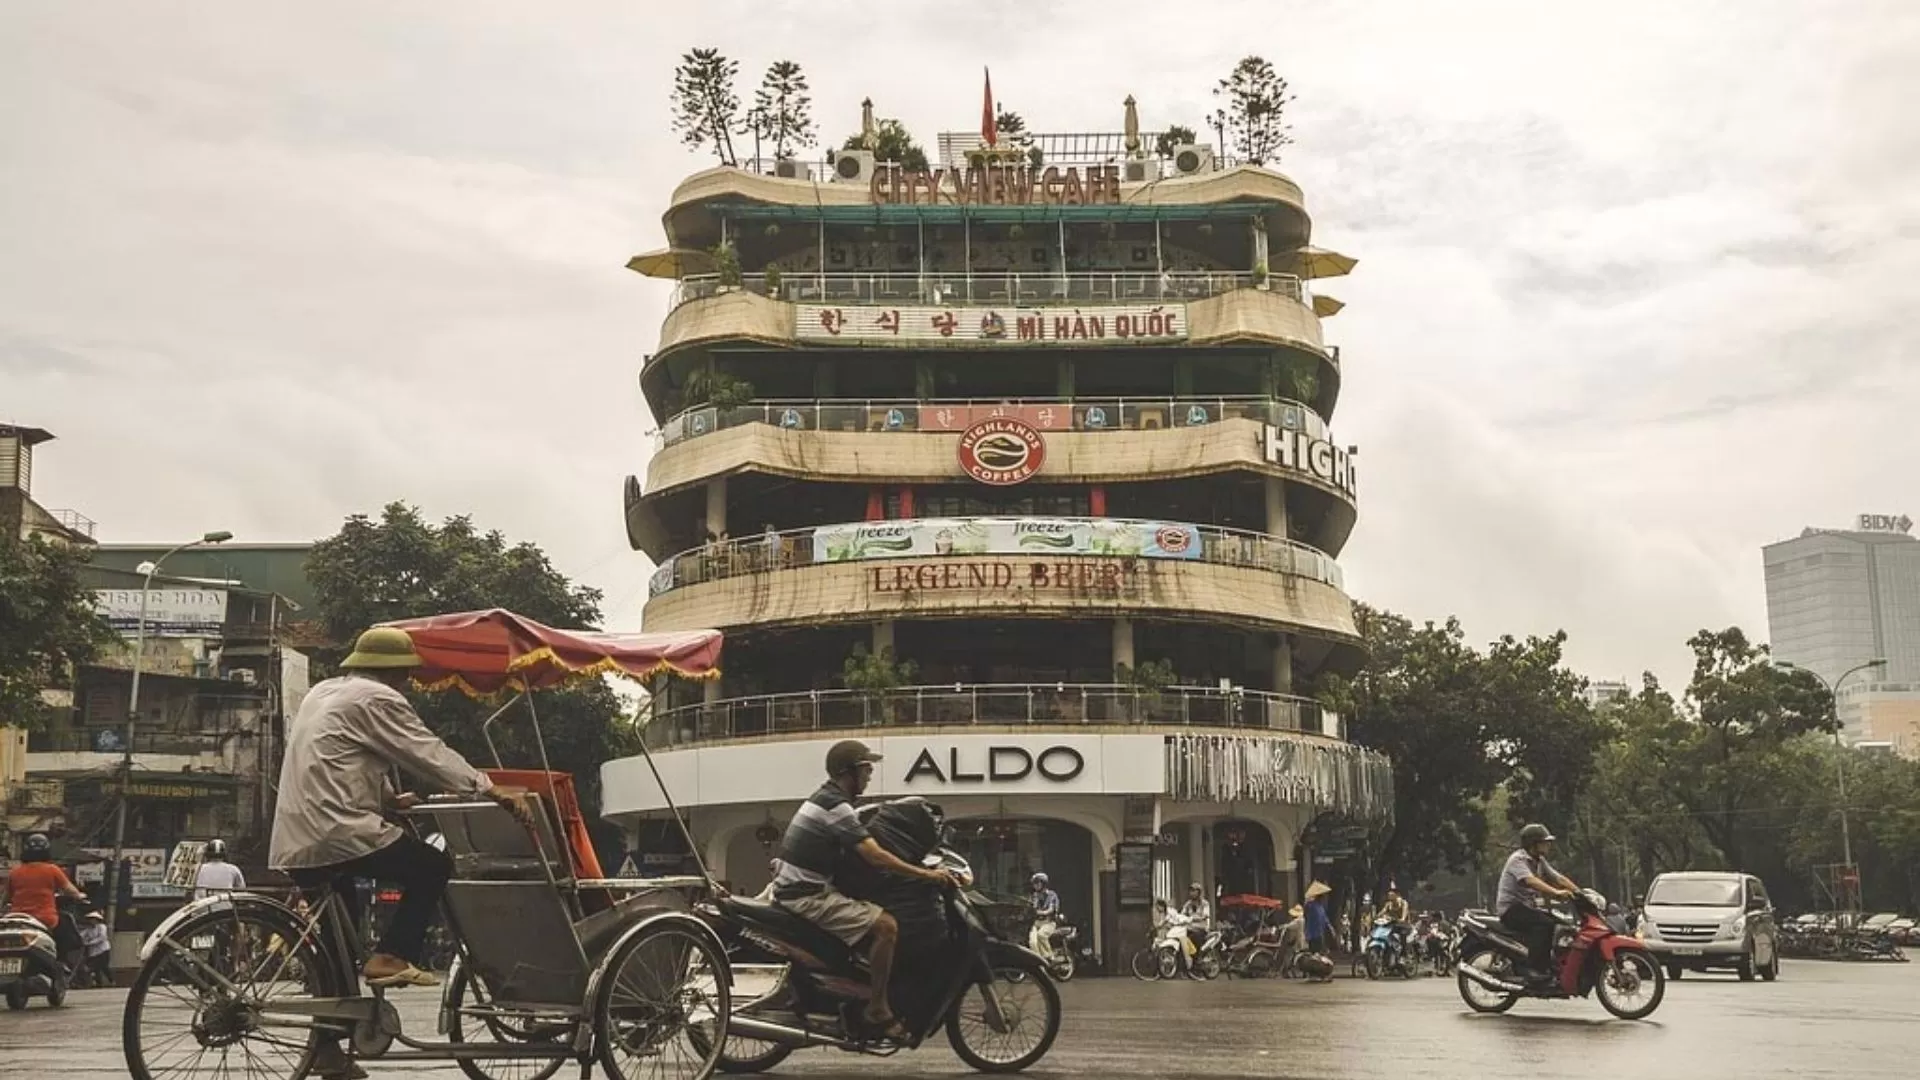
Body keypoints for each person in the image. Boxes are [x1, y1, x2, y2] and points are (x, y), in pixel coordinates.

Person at [769, 739, 959, 1041]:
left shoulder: (827, 799)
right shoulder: (835, 805)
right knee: (886, 927)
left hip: (797, 887)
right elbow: (875, 856)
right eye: (866, 768)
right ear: (849, 772)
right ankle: (878, 1008)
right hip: (807, 895)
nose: (870, 775)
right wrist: (928, 875)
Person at [1496, 823, 1578, 983]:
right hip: (1511, 909)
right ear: (1532, 844)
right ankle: (1532, 968)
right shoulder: (1517, 860)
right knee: (1544, 924)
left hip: (1526, 907)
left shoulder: (1539, 860)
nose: (1548, 845)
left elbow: (1558, 878)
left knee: (1560, 923)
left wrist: (1580, 892)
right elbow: (1531, 881)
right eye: (1544, 842)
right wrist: (1555, 892)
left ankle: (1550, 964)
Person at [1, 833, 87, 968]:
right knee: (66, 936)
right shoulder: (52, 870)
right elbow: (70, 890)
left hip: (17, 918)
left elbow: (5, 897)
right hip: (45, 918)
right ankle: (61, 962)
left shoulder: (15, 872)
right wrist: (80, 896)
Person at [1028, 873, 1062, 960]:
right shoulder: (1034, 896)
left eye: (1037, 883)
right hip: (1035, 923)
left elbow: (1050, 910)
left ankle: (1050, 956)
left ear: (1043, 883)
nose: (1035, 885)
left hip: (1049, 922)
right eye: (1034, 883)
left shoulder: (1051, 895)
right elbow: (1029, 908)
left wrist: (1040, 912)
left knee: (1041, 935)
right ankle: (1037, 961)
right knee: (1032, 942)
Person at [1303, 880, 1333, 954]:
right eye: (1323, 896)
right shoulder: (1311, 905)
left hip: (1319, 934)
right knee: (1314, 953)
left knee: (1319, 953)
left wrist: (1331, 928)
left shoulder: (1320, 907)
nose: (1324, 898)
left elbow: (1325, 919)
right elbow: (1306, 910)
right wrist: (1308, 899)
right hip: (1312, 934)